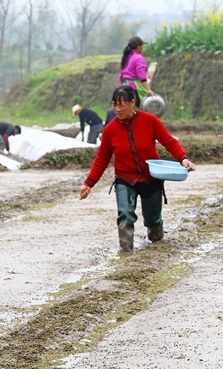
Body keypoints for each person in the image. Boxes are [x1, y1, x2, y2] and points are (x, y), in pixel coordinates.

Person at [79, 86, 195, 252]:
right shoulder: (110, 130)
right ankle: (126, 252)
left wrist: (183, 159)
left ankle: (157, 246)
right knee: (125, 216)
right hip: (125, 179)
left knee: (153, 220)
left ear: (133, 103)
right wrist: (88, 183)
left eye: (122, 105)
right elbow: (102, 159)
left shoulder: (150, 121)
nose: (117, 109)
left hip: (151, 177)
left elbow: (169, 142)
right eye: (114, 105)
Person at [119, 36, 156, 108]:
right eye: (142, 45)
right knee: (145, 109)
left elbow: (120, 76)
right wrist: (148, 89)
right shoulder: (139, 58)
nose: (143, 48)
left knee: (129, 110)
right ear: (138, 46)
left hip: (124, 87)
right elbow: (141, 75)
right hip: (135, 88)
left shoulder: (126, 58)